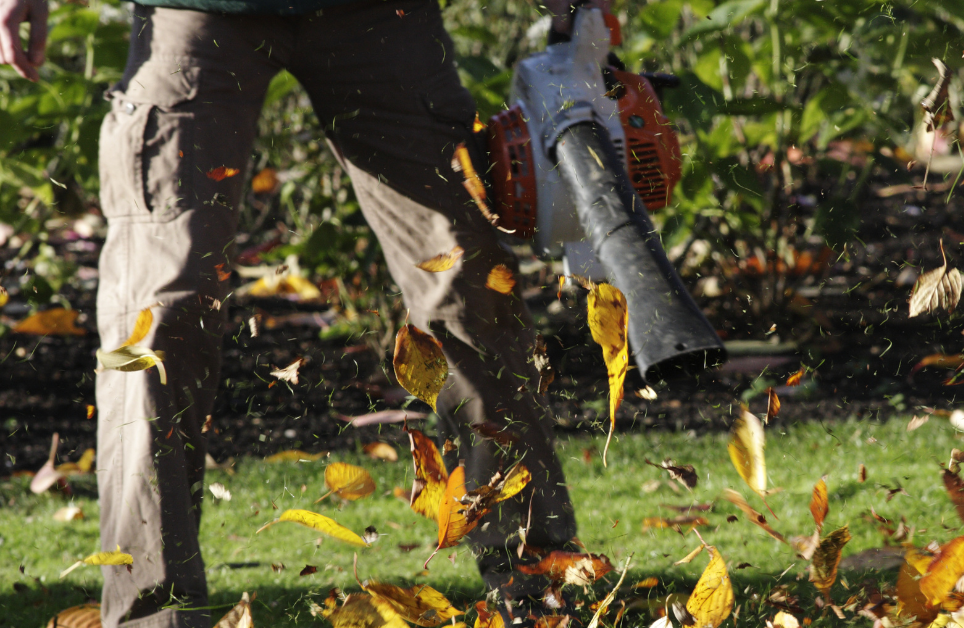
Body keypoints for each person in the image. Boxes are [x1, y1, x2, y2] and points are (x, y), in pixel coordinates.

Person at [0, 0, 598, 625]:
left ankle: (543, 588)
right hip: (197, 12)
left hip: (380, 14)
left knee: (472, 286)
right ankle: (152, 615)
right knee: (158, 316)